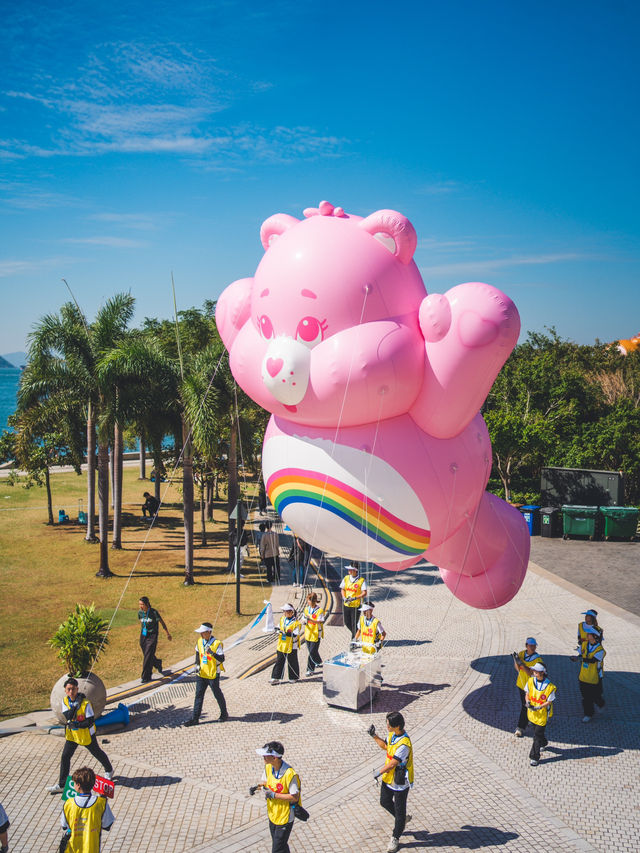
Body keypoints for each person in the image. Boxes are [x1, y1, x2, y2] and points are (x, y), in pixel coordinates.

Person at [48, 679, 113, 795]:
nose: (71, 691)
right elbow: (67, 715)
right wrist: (75, 707)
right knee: (65, 757)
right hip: (72, 736)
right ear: (65, 691)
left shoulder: (86, 703)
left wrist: (76, 723)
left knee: (96, 752)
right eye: (69, 689)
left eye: (73, 689)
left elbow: (89, 721)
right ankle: (62, 784)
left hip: (86, 734)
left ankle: (109, 770)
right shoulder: (65, 701)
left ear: (77, 689)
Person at [369, 711, 413, 853]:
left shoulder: (404, 745)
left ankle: (395, 837)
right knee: (384, 801)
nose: (386, 726)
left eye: (388, 724)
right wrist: (374, 735)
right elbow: (386, 747)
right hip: (389, 779)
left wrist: (378, 772)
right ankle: (401, 820)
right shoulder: (393, 735)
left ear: (397, 726)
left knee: (400, 811)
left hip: (399, 782)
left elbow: (393, 763)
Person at [250, 741, 300, 853]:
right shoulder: (268, 767)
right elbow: (265, 782)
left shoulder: (289, 774)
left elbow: (294, 797)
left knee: (277, 849)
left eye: (266, 755)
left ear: (275, 758)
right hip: (273, 814)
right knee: (280, 846)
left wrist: (274, 795)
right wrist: (256, 787)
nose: (263, 757)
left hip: (285, 817)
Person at [60, 766, 114, 852]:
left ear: (78, 786)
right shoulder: (101, 803)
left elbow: (64, 825)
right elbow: (107, 825)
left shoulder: (68, 804)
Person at [184, 622, 228, 725]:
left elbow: (222, 659)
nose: (201, 634)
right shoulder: (200, 641)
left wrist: (212, 653)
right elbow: (198, 654)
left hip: (213, 674)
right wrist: (197, 666)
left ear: (209, 632)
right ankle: (195, 718)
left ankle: (224, 714)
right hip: (202, 673)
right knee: (198, 695)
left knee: (217, 694)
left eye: (203, 632)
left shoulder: (216, 643)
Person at [570, 625, 606, 722]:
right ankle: (588, 714)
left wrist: (579, 659)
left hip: (594, 677)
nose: (587, 635)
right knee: (586, 697)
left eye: (589, 634)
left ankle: (601, 703)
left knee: (595, 696)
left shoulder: (600, 651)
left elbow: (592, 660)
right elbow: (581, 653)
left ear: (595, 636)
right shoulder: (585, 644)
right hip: (583, 676)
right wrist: (577, 657)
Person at [524, 662, 556, 766]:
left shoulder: (550, 686)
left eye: (536, 671)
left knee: (536, 736)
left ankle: (534, 757)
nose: (534, 672)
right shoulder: (530, 681)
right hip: (532, 714)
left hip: (542, 715)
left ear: (542, 672)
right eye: (534, 670)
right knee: (537, 733)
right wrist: (527, 702)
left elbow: (549, 701)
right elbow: (527, 694)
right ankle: (544, 742)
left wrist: (540, 706)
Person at [512, 637, 543, 736]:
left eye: (534, 646)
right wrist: (516, 661)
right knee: (526, 705)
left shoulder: (537, 659)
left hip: (531, 686)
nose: (533, 648)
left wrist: (522, 664)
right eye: (531, 646)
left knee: (526, 705)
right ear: (526, 646)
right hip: (521, 684)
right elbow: (517, 669)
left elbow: (530, 673)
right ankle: (530, 720)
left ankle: (520, 727)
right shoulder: (521, 654)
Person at [138, 596, 172, 683]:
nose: (140, 606)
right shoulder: (140, 613)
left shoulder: (153, 612)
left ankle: (146, 676)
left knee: (148, 655)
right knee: (148, 654)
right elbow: (142, 623)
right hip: (144, 635)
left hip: (152, 635)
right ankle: (157, 663)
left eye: (142, 604)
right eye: (139, 604)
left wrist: (167, 633)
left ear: (147, 604)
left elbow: (162, 622)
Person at [270, 604, 301, 684]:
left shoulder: (296, 623)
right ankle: (275, 677)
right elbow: (278, 627)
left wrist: (286, 633)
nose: (284, 613)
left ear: (291, 612)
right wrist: (277, 630)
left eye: (286, 611)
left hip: (291, 645)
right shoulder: (282, 619)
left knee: (292, 661)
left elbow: (295, 634)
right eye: (284, 611)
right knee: (279, 660)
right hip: (282, 644)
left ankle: (293, 677)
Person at [340, 562, 367, 638]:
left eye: (350, 569)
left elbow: (364, 593)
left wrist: (355, 597)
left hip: (356, 605)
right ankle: (357, 632)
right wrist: (344, 597)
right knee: (347, 622)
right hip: (347, 604)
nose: (349, 570)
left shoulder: (361, 580)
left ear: (355, 570)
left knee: (354, 623)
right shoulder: (346, 578)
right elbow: (342, 589)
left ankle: (353, 640)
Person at [302, 592, 325, 676]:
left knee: (311, 652)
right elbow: (303, 618)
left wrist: (311, 620)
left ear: (314, 601)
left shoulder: (319, 610)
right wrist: (305, 621)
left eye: (309, 600)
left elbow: (321, 621)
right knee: (312, 651)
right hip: (308, 633)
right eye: (308, 600)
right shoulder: (306, 609)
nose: (308, 602)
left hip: (316, 634)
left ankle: (310, 670)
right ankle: (318, 661)